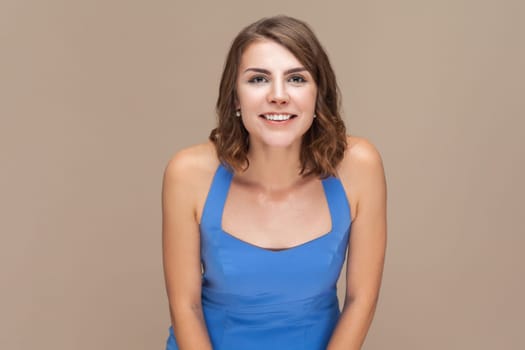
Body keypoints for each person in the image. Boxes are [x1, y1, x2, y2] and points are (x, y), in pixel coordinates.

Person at [162, 15, 387, 350]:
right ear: (235, 98)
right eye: (258, 80)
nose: (278, 96)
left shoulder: (359, 166)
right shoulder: (189, 173)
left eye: (296, 78)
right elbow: (186, 307)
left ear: (317, 95)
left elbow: (361, 299)